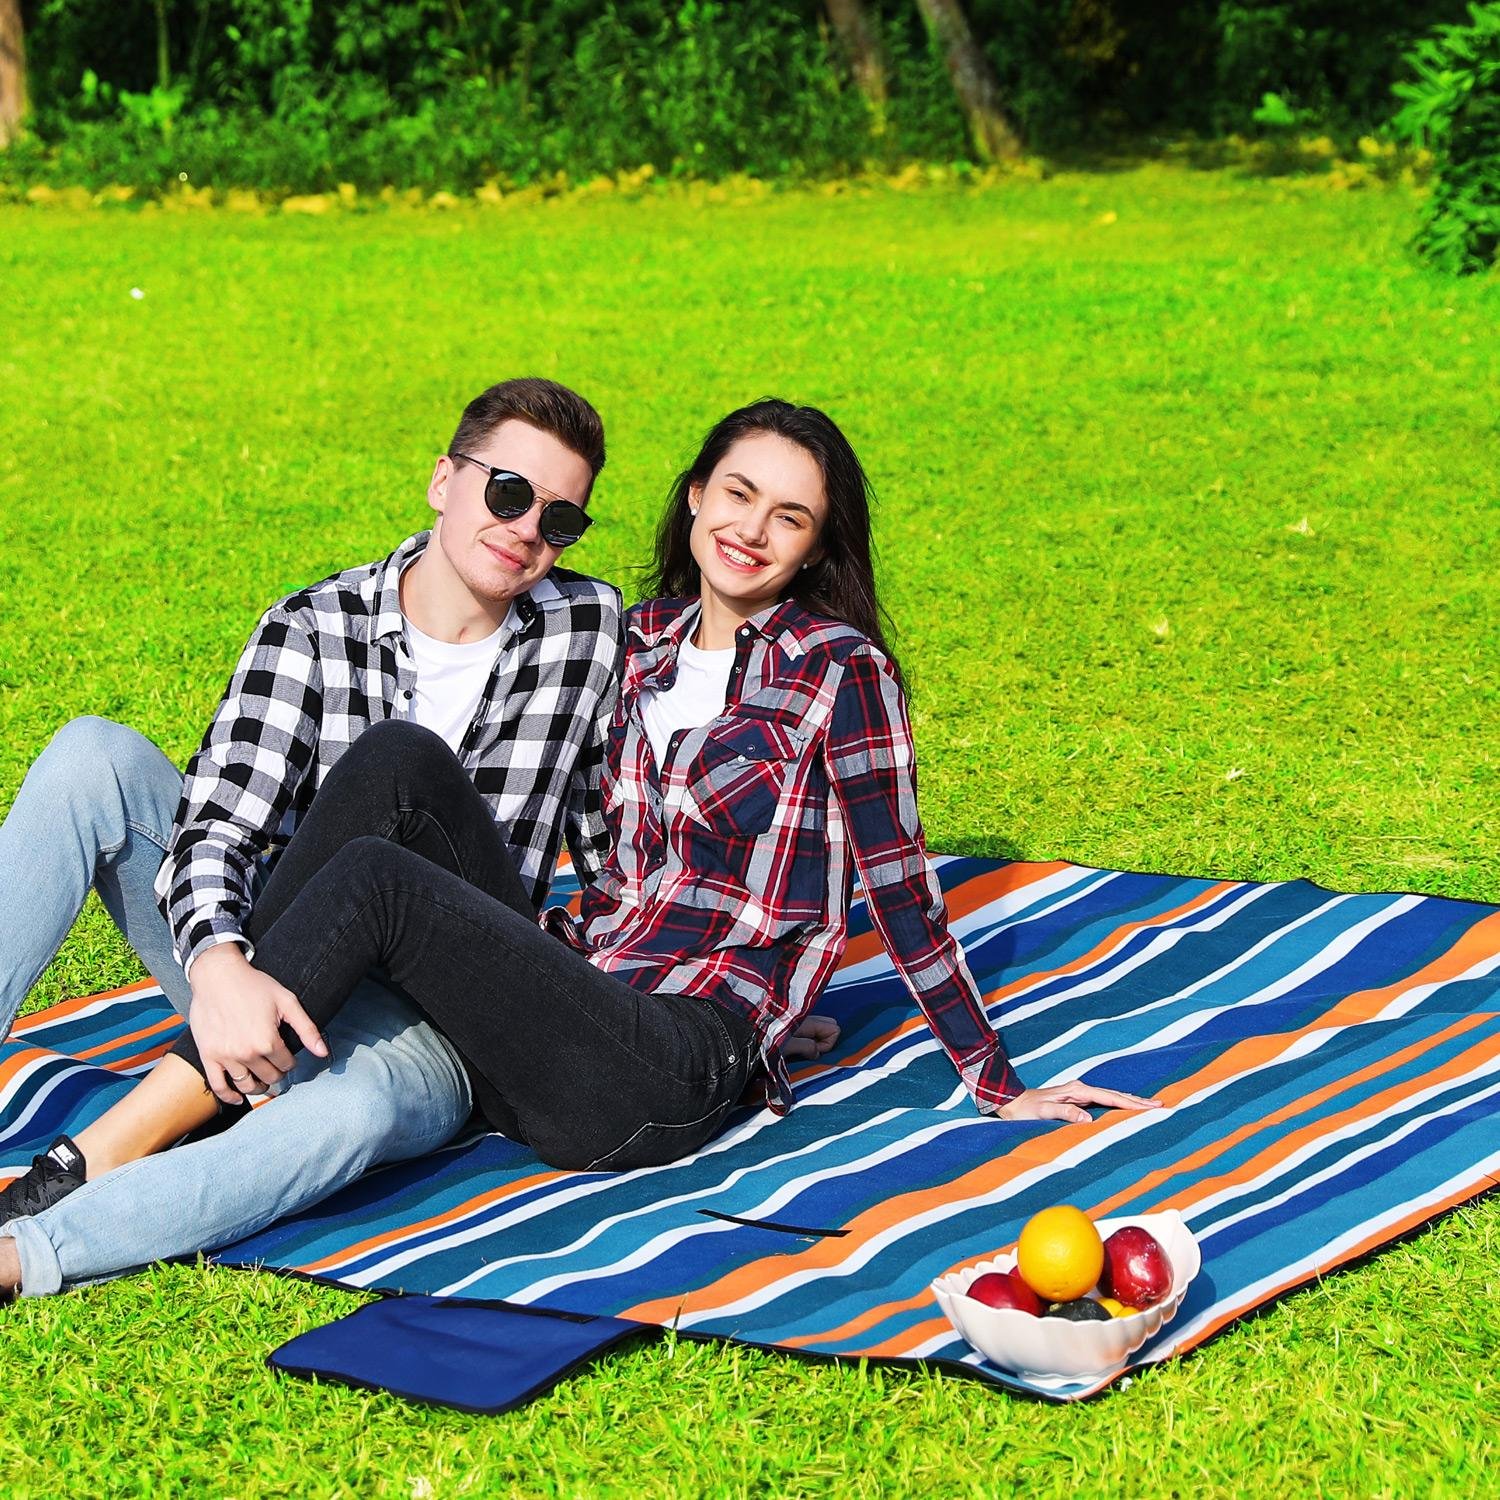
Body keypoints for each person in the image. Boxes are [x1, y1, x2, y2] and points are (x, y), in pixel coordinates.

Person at [1, 398, 1153, 1297]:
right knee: (393, 761)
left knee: (380, 879)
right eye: (738, 493)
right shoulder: (629, 639)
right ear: (695, 496)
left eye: (789, 517)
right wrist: (225, 956)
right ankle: (197, 1082)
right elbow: (608, 870)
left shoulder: (837, 673)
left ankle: (88, 1173)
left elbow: (898, 883)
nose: (751, 530)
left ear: (814, 546)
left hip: (663, 1053)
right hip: (541, 1000)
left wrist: (988, 1079)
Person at [0, 377, 627, 1263]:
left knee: (355, 1112)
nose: (527, 529)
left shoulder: (589, 631)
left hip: (432, 1021)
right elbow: (218, 825)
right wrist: (221, 966)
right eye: (509, 492)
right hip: (275, 962)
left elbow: (615, 849)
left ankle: (33, 1245)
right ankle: (221, 1071)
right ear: (443, 480)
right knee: (90, 756)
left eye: (560, 519)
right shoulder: (315, 625)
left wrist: (721, 986)